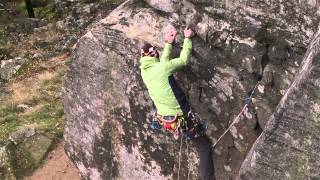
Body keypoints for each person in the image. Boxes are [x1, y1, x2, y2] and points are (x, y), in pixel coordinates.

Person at [139, 27, 215, 180]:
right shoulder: (161, 67)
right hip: (181, 116)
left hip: (166, 119)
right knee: (204, 145)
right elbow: (183, 60)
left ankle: (182, 132)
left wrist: (168, 43)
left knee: (186, 131)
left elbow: (163, 64)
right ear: (154, 55)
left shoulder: (145, 71)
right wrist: (187, 38)